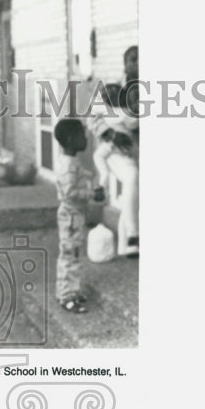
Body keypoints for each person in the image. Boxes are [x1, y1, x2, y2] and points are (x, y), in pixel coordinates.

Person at [52, 118, 104, 314]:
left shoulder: (72, 161)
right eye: (82, 136)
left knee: (74, 254)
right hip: (70, 216)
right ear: (70, 140)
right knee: (69, 256)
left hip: (76, 215)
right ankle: (66, 296)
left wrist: (91, 177)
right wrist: (92, 194)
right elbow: (69, 192)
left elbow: (81, 174)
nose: (86, 139)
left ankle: (72, 290)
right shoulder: (67, 166)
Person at [89, 81, 139, 258]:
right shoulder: (122, 110)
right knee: (132, 179)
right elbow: (92, 117)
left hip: (116, 149)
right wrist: (111, 133)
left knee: (132, 192)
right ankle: (133, 235)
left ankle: (127, 245)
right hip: (117, 149)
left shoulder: (112, 109)